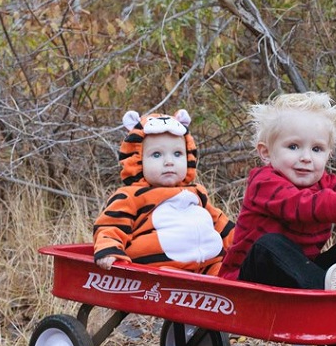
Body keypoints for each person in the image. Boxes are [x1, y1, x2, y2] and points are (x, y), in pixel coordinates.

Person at [219, 91, 336, 290]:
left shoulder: (322, 182)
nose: (306, 157)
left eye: (317, 149)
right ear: (266, 153)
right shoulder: (263, 183)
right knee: (268, 245)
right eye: (293, 146)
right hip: (248, 284)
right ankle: (325, 291)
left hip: (301, 278)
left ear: (328, 155)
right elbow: (306, 206)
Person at [93, 109, 234, 275]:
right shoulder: (131, 195)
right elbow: (111, 225)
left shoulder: (197, 193)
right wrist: (109, 250)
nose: (169, 162)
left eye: (177, 154)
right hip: (159, 269)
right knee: (166, 278)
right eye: (157, 154)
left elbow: (220, 223)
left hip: (209, 266)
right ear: (137, 159)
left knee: (233, 275)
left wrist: (244, 242)